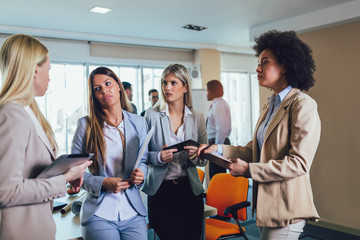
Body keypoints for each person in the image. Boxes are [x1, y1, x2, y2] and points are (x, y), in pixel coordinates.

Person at [198, 30, 320, 240]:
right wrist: (217, 149)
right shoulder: (270, 105)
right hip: (266, 205)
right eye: (258, 62)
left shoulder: (303, 105)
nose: (258, 68)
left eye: (265, 62)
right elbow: (253, 149)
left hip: (287, 207)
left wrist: (249, 170)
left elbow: (299, 163)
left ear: (285, 66)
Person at [0, 34, 91, 240]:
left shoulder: (28, 112)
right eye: (49, 69)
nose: (50, 77)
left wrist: (65, 171)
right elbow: (6, 191)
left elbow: (30, 172)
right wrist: (64, 178)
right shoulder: (12, 114)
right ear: (34, 70)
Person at [71, 67, 148, 240]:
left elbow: (144, 160)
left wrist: (141, 174)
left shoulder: (138, 122)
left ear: (119, 86)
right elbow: (75, 173)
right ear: (94, 96)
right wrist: (102, 183)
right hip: (100, 213)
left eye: (108, 84)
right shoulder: (85, 125)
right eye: (97, 89)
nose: (104, 90)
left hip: (133, 212)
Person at [142, 63, 207, 240]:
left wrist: (197, 154)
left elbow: (204, 159)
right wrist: (158, 157)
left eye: (173, 83)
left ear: (185, 87)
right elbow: (141, 156)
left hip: (189, 190)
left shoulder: (198, 117)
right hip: (161, 190)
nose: (167, 88)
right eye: (164, 83)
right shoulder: (151, 115)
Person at [206, 79, 231, 179]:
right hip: (216, 143)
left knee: (218, 176)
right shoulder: (216, 104)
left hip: (218, 144)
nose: (206, 94)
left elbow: (221, 130)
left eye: (207, 91)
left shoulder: (219, 105)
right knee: (215, 175)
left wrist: (216, 149)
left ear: (212, 91)